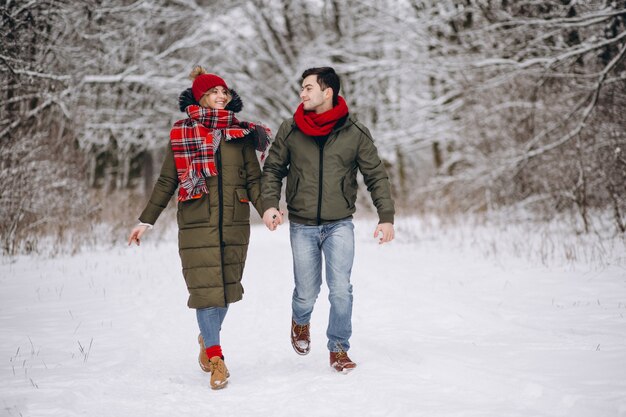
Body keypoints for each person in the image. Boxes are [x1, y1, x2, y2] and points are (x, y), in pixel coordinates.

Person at [128, 66, 270, 390]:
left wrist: (268, 211)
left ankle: (207, 337)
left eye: (224, 91)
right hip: (196, 220)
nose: (221, 96)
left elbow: (254, 179)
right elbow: (168, 180)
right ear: (200, 97)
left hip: (234, 220)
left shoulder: (241, 135)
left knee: (227, 289)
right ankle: (217, 360)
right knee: (206, 291)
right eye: (213, 92)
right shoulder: (182, 133)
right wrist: (145, 220)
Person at [261, 67, 395, 372]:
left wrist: (385, 217)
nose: (302, 94)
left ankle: (338, 347)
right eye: (302, 88)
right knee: (307, 292)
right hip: (302, 224)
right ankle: (301, 321)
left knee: (340, 289)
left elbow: (376, 175)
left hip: (339, 223)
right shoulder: (290, 129)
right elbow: (272, 171)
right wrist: (270, 205)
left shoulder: (354, 132)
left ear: (327, 92)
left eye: (308, 88)